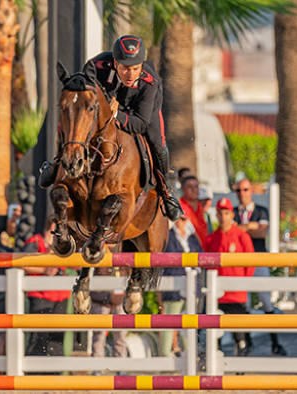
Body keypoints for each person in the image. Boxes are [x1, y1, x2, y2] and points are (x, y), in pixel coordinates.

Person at [39, 35, 183, 222]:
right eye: (124, 68)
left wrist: (117, 115)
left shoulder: (150, 83)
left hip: (141, 112)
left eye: (135, 69)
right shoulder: (95, 67)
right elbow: (83, 96)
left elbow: (139, 123)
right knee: (75, 120)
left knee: (157, 141)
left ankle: (166, 191)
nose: (130, 75)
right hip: (105, 109)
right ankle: (57, 161)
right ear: (115, 63)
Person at [233, 178, 286, 356]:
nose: (242, 194)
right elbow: (231, 232)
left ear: (251, 191)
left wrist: (242, 228)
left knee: (265, 300)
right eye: (239, 190)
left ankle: (275, 343)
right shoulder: (233, 212)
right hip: (240, 261)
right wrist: (250, 227)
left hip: (259, 258)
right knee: (244, 302)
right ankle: (246, 344)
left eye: (245, 190)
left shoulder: (261, 210)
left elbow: (263, 231)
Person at [205, 197, 255, 356]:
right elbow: (205, 264)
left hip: (236, 295)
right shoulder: (211, 238)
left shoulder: (241, 236)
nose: (223, 217)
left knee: (239, 335)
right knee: (214, 336)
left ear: (231, 214)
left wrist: (241, 285)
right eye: (220, 213)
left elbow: (251, 263)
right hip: (216, 294)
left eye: (226, 213)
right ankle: (214, 368)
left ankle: (240, 368)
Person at [23, 216, 72, 359]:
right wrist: (44, 270)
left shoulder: (63, 246)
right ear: (50, 228)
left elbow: (76, 264)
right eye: (57, 228)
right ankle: (33, 374)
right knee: (38, 337)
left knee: (57, 338)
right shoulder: (35, 241)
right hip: (40, 295)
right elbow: (20, 262)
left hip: (61, 296)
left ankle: (54, 375)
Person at [160, 212, 203, 357]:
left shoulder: (191, 237)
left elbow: (201, 256)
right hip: (173, 284)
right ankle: (165, 354)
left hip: (191, 285)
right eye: (177, 218)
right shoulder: (167, 235)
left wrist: (195, 270)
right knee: (170, 321)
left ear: (188, 220)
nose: (180, 221)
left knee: (189, 322)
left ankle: (189, 354)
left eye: (183, 218)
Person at [179, 176, 209, 248]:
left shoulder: (201, 207)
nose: (194, 189)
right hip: (187, 251)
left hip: (203, 250)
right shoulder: (179, 207)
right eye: (190, 187)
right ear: (183, 189)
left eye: (196, 186)